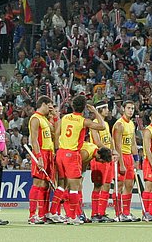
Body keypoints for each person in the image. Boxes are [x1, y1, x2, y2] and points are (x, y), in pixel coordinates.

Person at [52, 95, 105, 225]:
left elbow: (57, 133)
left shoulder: (65, 117)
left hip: (60, 153)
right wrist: (95, 111)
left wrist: (57, 148)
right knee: (75, 188)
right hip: (72, 154)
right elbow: (102, 126)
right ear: (84, 108)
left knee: (61, 185)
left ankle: (53, 213)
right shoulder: (83, 121)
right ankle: (72, 216)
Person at [29, 96, 58, 224]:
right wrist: (38, 157)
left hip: (49, 153)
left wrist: (54, 116)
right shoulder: (35, 119)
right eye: (49, 106)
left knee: (46, 185)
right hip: (40, 152)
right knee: (38, 183)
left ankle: (43, 214)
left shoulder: (44, 119)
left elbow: (55, 132)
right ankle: (32, 215)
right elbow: (34, 139)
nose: (50, 108)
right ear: (44, 104)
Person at [89, 101, 117, 223]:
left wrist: (114, 150)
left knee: (106, 185)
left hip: (108, 157)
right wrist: (110, 151)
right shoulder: (95, 123)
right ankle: (95, 213)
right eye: (105, 108)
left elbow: (109, 139)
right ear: (100, 110)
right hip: (99, 158)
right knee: (98, 185)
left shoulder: (105, 123)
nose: (107, 110)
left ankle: (101, 212)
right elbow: (97, 142)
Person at [112, 100, 140, 222]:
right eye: (128, 108)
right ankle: (118, 213)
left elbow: (133, 142)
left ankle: (127, 212)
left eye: (132, 108)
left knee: (129, 185)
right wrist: (121, 164)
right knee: (119, 185)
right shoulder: (119, 124)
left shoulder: (131, 124)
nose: (130, 110)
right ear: (123, 109)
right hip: (120, 157)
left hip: (129, 157)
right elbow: (117, 146)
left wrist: (136, 159)